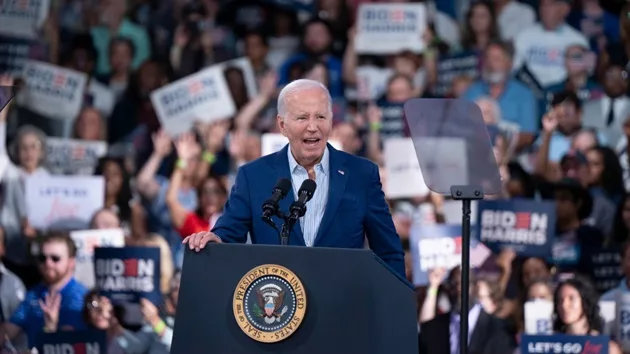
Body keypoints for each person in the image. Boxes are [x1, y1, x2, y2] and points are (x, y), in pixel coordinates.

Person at [183, 79, 405, 277]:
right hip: (277, 308)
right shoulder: (253, 176)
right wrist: (215, 240)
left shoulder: (361, 174)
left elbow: (388, 251)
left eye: (320, 117)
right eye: (302, 118)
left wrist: (392, 308)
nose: (312, 127)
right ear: (282, 125)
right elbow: (229, 234)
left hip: (343, 305)